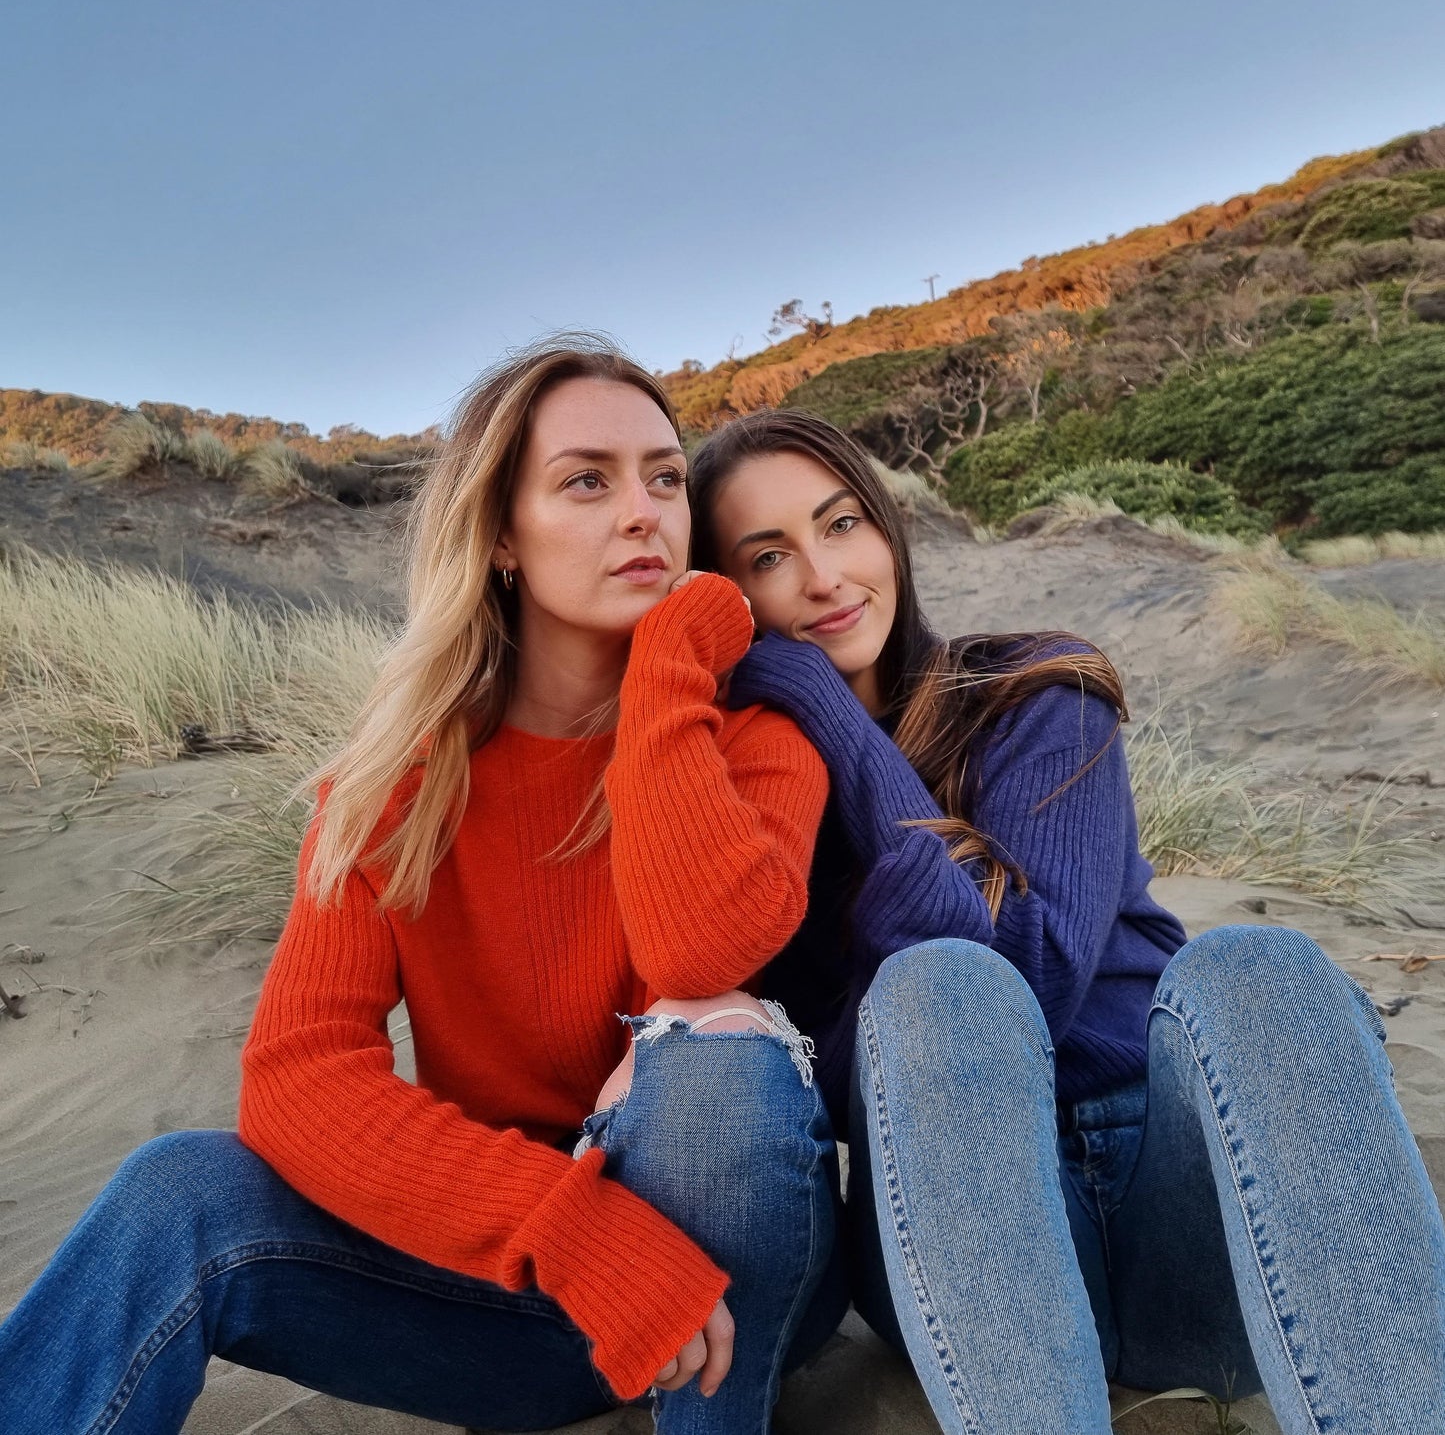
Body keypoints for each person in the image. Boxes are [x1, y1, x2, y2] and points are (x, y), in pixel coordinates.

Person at [0, 339, 848, 1435]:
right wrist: (567, 1229)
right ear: (500, 536)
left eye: (664, 477)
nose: (643, 512)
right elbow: (300, 1076)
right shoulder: (397, 783)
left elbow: (698, 951)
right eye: (586, 481)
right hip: (542, 1292)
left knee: (711, 1058)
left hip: (742, 1280)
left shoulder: (759, 742)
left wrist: (670, 657)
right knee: (177, 1191)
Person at [687, 406, 1445, 1435]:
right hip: (964, 1241)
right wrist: (801, 731)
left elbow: (1032, 978)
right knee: (935, 986)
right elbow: (842, 1067)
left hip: (1181, 1206)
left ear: (885, 529)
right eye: (769, 555)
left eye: (841, 523)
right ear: (726, 594)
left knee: (1256, 964)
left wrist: (829, 713)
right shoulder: (746, 799)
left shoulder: (1032, 692)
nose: (823, 576)